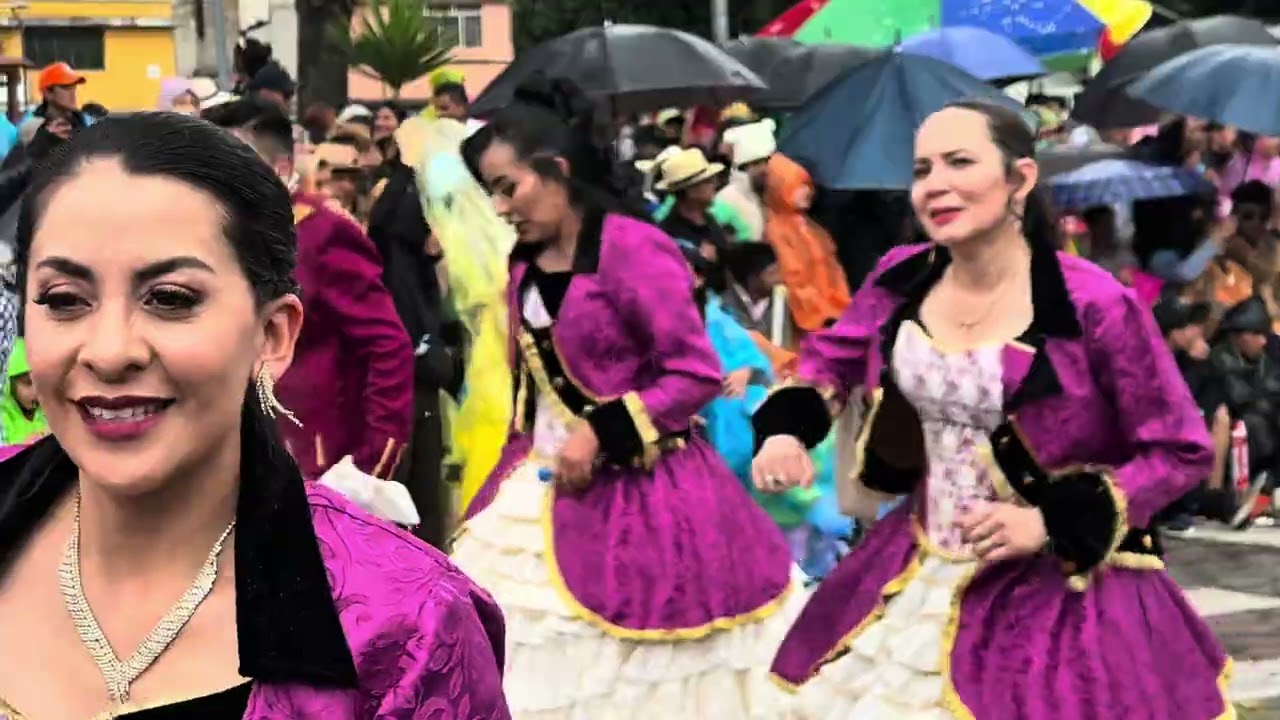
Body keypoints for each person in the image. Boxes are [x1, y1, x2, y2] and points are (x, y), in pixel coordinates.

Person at [0, 112, 510, 718]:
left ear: (272, 334)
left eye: (170, 299)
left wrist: (378, 446)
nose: (110, 352)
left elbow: (384, 343)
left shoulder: (409, 624)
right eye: (64, 300)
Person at [754, 100, 1230, 719]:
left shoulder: (1093, 302)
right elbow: (830, 359)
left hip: (1060, 590)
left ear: (1019, 179)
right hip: (919, 562)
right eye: (923, 169)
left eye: (959, 162)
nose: (936, 185)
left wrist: (1052, 520)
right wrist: (787, 432)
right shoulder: (905, 275)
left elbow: (1179, 447)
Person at [451, 77, 801, 718]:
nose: (501, 207)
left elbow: (693, 372)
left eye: (509, 187)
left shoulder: (632, 247)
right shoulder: (524, 264)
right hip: (538, 488)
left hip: (649, 495)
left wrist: (604, 432)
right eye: (492, 193)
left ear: (556, 169)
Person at [206, 99, 415, 483]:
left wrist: (370, 465)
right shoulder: (210, 235)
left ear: (279, 169)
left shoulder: (321, 232)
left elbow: (387, 345)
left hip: (310, 457)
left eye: (229, 167)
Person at [0, 338, 47, 446]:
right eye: (28, 383)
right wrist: (22, 447)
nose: (36, 391)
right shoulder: (2, 419)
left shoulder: (47, 411)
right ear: (9, 385)